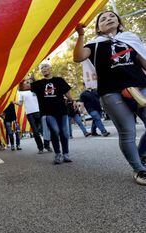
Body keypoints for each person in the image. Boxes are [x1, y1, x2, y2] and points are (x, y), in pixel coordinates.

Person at [73, 11, 146, 185]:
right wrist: (81, 35)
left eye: (112, 16)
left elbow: (142, 61)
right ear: (98, 27)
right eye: (103, 19)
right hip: (112, 93)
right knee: (128, 131)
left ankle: (141, 154)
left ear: (119, 22)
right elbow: (77, 57)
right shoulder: (94, 44)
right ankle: (139, 170)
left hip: (141, 88)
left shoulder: (130, 38)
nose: (108, 19)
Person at [31, 63, 75, 165]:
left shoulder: (59, 80)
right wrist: (21, 78)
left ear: (50, 69)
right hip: (48, 112)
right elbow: (23, 87)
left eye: (45, 67)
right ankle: (57, 154)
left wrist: (74, 101)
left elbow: (67, 93)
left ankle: (65, 154)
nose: (43, 69)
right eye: (41, 68)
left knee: (64, 133)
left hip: (61, 111)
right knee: (55, 131)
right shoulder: (39, 84)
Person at [17, 78, 52, 153]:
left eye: (29, 82)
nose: (28, 83)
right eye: (26, 82)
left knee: (44, 130)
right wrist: (14, 102)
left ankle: (47, 145)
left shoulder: (36, 89)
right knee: (35, 132)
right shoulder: (21, 93)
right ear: (23, 84)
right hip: (30, 114)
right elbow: (20, 104)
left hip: (39, 112)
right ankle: (40, 148)